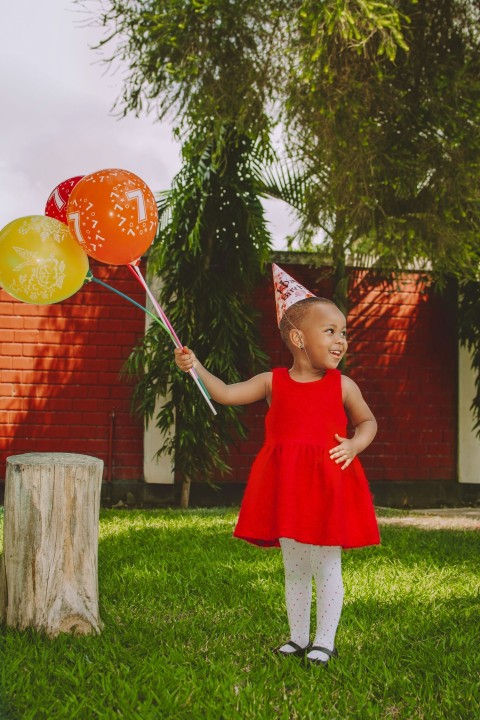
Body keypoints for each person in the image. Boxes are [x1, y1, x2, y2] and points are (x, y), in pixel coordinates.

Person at [174, 263, 380, 666]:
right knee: (295, 566)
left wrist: (355, 444)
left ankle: (325, 640)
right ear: (298, 338)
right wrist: (194, 366)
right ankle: (298, 637)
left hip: (326, 484)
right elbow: (226, 394)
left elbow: (368, 422)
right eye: (331, 331)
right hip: (287, 485)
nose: (342, 341)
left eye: (344, 333)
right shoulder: (273, 381)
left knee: (325, 564)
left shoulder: (343, 385)